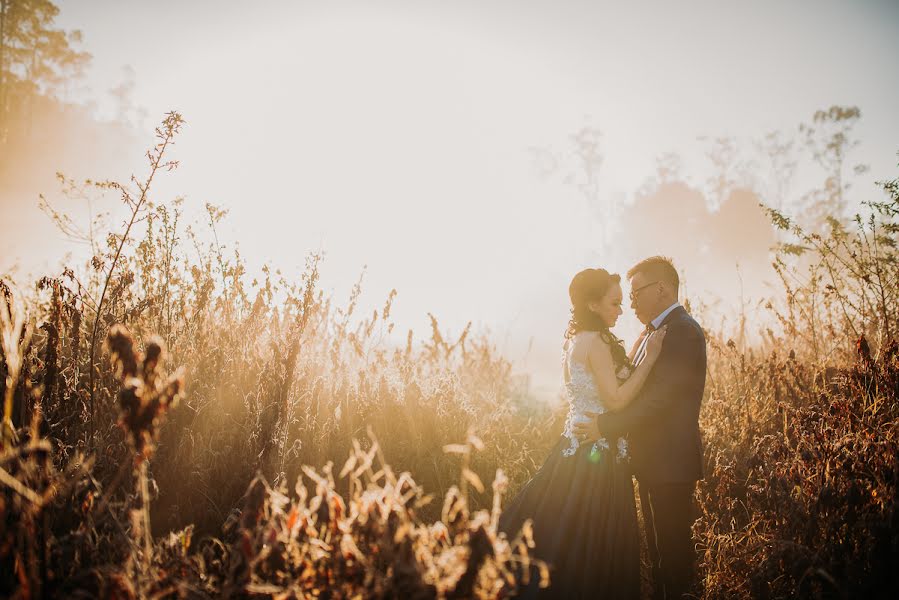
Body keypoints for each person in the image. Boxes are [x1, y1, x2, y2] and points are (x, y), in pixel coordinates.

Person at [499, 267, 667, 599]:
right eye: (614, 303)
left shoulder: (577, 339)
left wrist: (637, 347)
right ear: (592, 304)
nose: (621, 310)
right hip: (598, 455)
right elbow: (617, 399)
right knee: (593, 540)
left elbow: (606, 379)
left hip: (573, 449)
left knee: (560, 533)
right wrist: (651, 359)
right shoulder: (597, 343)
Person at [574, 256, 707, 599]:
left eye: (635, 293)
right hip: (652, 464)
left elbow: (659, 400)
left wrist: (607, 426)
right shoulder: (653, 333)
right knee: (660, 558)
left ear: (661, 288)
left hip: (671, 466)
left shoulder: (683, 331)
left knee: (674, 560)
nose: (630, 302)